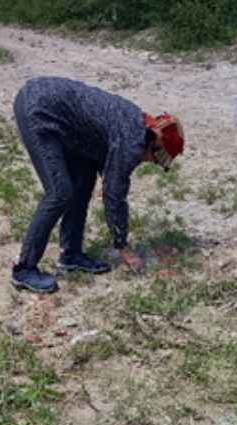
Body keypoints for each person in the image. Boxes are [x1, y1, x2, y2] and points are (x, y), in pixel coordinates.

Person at [10, 76, 185, 294]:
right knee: (60, 192)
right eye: (155, 159)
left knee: (83, 184)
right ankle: (24, 269)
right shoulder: (133, 142)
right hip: (38, 108)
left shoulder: (137, 126)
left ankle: (71, 255)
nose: (149, 162)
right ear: (155, 145)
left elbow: (104, 152)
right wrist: (122, 246)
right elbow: (114, 196)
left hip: (67, 123)